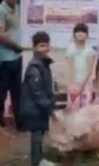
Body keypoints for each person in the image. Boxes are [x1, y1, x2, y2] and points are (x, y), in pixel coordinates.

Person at [20, 31, 57, 166]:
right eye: (41, 46)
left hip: (39, 108)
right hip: (34, 109)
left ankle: (40, 160)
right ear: (34, 48)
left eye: (46, 45)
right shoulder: (35, 67)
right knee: (36, 137)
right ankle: (36, 162)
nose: (45, 49)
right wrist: (49, 107)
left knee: (40, 135)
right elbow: (37, 92)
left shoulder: (43, 64)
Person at [0, 0, 27, 130]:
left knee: (17, 91)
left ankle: (19, 121)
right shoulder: (0, 11)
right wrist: (16, 47)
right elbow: (0, 34)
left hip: (16, 57)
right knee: (2, 91)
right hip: (5, 57)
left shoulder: (18, 8)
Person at [65, 23, 97, 110]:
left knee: (85, 110)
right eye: (78, 31)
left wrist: (82, 86)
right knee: (73, 109)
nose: (80, 34)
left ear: (87, 35)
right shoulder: (70, 49)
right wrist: (73, 84)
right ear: (74, 34)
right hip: (73, 83)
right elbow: (71, 68)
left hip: (86, 84)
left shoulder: (90, 50)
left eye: (83, 31)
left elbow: (89, 70)